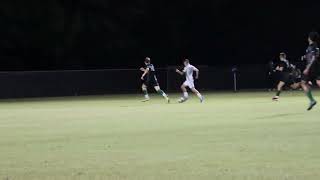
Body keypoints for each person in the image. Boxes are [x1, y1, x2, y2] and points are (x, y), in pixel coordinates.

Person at [300, 31, 320, 110]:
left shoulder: (312, 46)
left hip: (311, 67)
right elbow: (314, 55)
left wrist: (307, 68)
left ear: (310, 38)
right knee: (318, 81)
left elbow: (314, 57)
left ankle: (312, 100)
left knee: (303, 83)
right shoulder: (315, 46)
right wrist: (305, 57)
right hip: (317, 66)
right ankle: (311, 100)